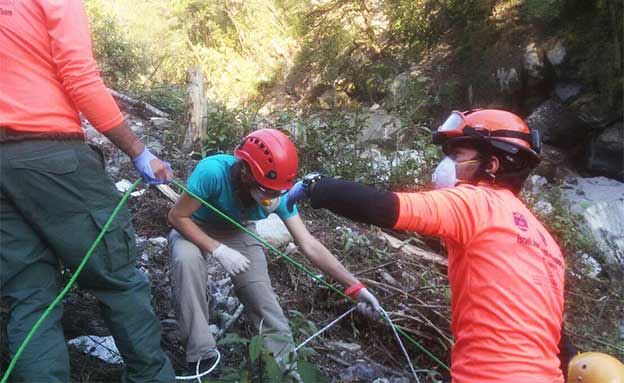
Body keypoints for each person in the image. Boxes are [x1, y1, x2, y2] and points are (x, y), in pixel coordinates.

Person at [288, 109, 566, 382]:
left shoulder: (474, 202)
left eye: (457, 155)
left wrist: (318, 186)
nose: (446, 164)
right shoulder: (545, 240)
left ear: (491, 165)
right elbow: (554, 334)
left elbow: (384, 207)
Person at [1, 1, 175, 382]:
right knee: (118, 278)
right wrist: (139, 151)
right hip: (54, 154)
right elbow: (79, 77)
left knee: (30, 300)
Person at [167, 128, 380, 370]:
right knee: (186, 260)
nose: (272, 199)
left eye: (277, 192)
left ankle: (283, 368)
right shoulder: (212, 172)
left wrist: (355, 287)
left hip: (238, 230)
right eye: (267, 191)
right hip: (194, 224)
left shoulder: (278, 190)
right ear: (246, 173)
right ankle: (201, 356)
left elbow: (308, 244)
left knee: (262, 296)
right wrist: (218, 250)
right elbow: (177, 217)